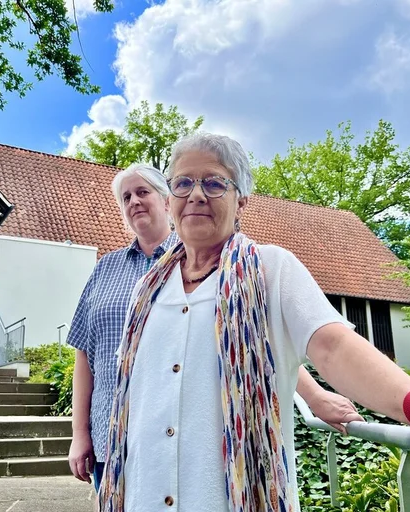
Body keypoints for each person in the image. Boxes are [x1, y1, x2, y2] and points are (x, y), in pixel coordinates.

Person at [99, 134, 410, 512]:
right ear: (171, 198)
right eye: (183, 183)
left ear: (241, 200)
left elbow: (334, 347)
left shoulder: (271, 269)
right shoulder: (146, 292)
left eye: (214, 183)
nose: (196, 194)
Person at [66, 163, 363, 494]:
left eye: (143, 192)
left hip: (195, 435)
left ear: (167, 201)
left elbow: (257, 342)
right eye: (125, 197)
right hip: (114, 433)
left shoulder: (213, 260)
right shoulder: (105, 268)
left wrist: (315, 395)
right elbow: (85, 352)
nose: (134, 201)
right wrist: (80, 433)